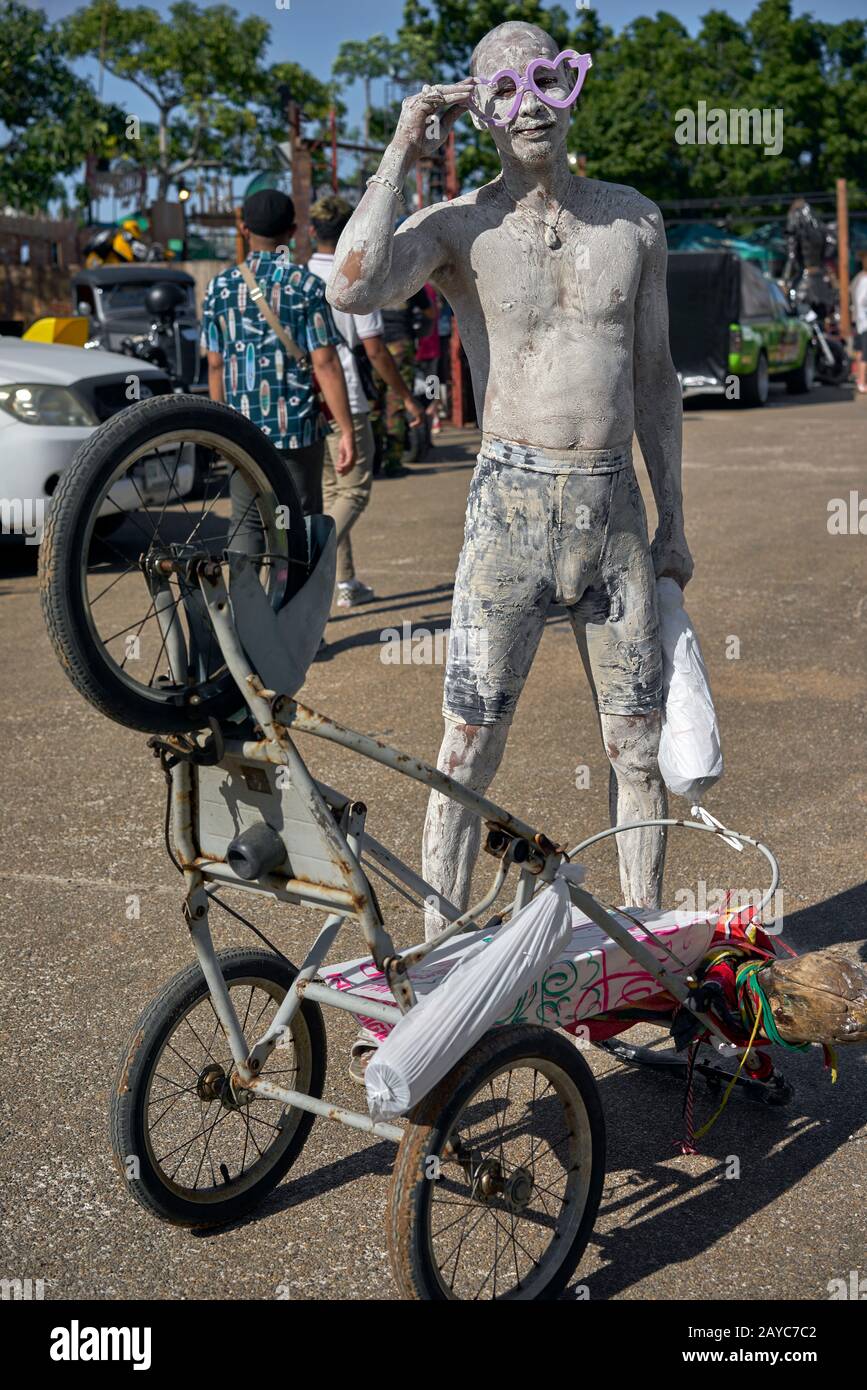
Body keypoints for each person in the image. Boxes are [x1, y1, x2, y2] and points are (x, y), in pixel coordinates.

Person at [329, 22, 692, 1022]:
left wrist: (675, 520)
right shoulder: (458, 228)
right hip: (511, 509)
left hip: (613, 506)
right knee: (467, 746)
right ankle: (441, 968)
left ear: (572, 90)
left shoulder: (634, 223)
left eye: (546, 81)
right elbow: (354, 281)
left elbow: (656, 380)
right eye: (501, 91)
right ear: (478, 110)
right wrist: (406, 134)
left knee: (637, 744)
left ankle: (646, 956)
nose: (529, 105)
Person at [202, 189, 356, 521]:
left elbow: (215, 364)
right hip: (297, 429)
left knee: (247, 524)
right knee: (297, 524)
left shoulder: (219, 288)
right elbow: (325, 363)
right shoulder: (307, 286)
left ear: (244, 230)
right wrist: (346, 429)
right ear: (293, 230)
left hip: (243, 431)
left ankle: (247, 574)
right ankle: (294, 574)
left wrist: (220, 430)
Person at [307, 194, 423, 606]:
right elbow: (375, 351)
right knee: (354, 492)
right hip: (347, 395)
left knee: (331, 495)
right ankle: (309, 563)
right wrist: (407, 398)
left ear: (310, 232)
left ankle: (345, 581)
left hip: (310, 398)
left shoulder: (299, 276)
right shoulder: (354, 275)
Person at [380, 274, 434, 475]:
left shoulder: (371, 280)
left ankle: (375, 458)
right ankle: (393, 462)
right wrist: (418, 334)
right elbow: (429, 314)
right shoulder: (410, 281)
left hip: (374, 347)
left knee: (375, 403)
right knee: (397, 403)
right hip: (404, 345)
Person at [851, 248, 867, 395]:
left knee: (861, 351)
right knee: (864, 354)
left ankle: (860, 380)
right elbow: (862, 301)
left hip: (860, 321)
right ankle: (862, 381)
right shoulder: (864, 280)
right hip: (864, 322)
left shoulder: (859, 278)